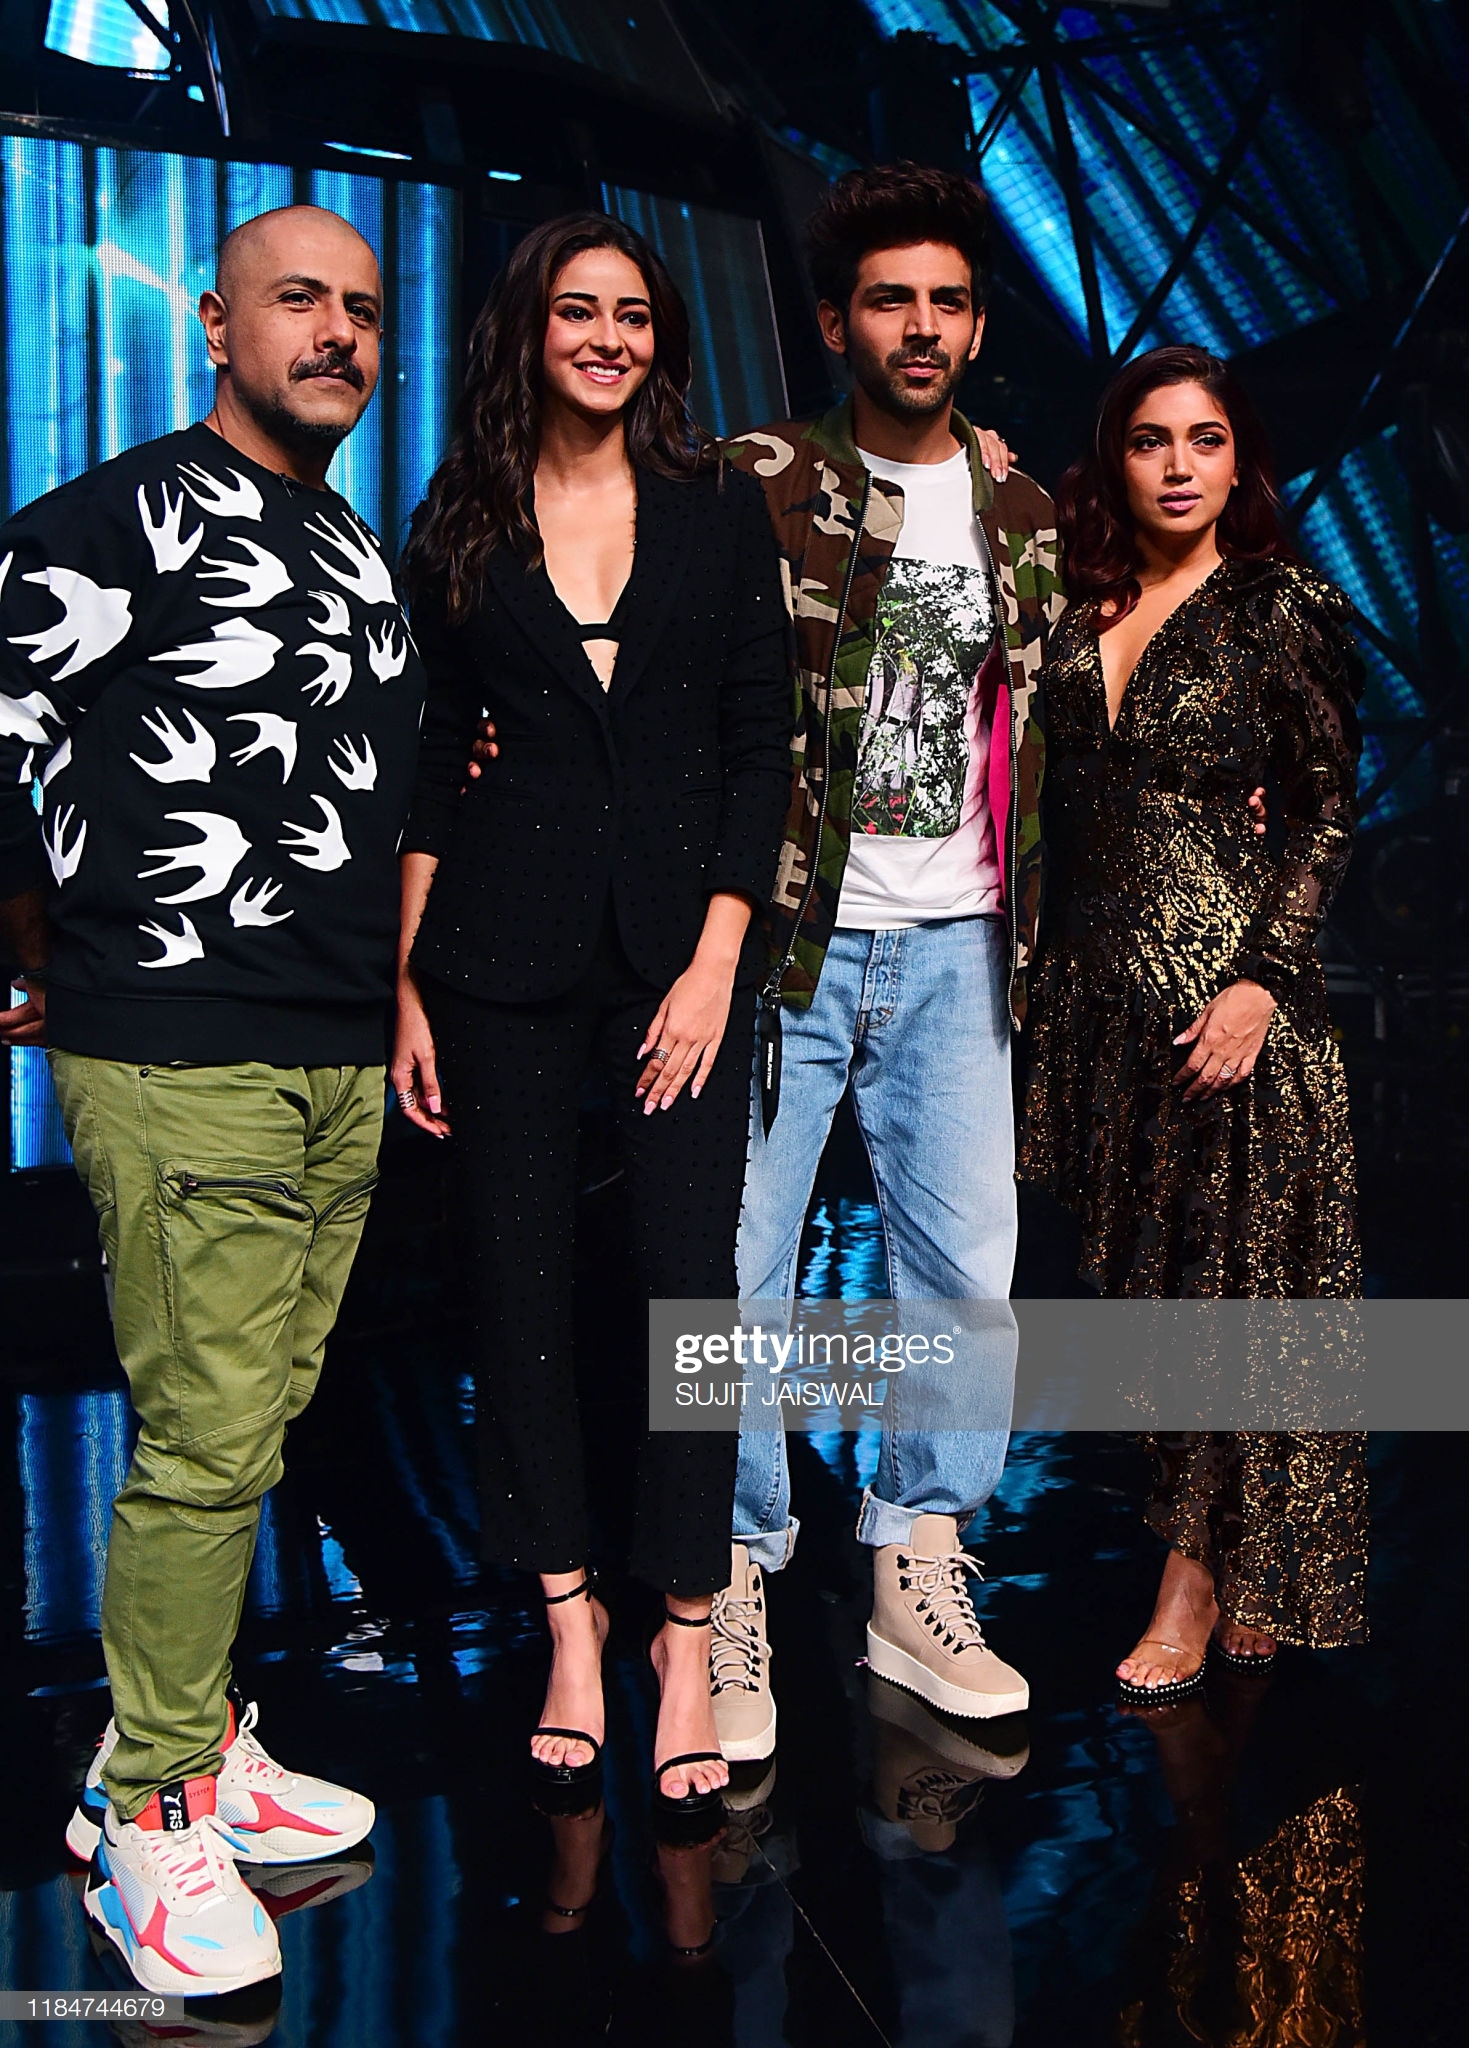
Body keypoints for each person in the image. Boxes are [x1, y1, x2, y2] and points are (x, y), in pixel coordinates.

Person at [0, 206, 417, 1993]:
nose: (336, 334)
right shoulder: (117, 518)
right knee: (204, 1436)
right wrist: (35, 937)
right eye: (297, 300)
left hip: (331, 1044)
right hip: (183, 1045)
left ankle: (187, 1731)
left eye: (362, 310)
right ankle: (146, 1819)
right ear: (213, 322)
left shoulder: (353, 545)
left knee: (262, 1414)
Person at [391, 214, 791, 1820]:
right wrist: (405, 982)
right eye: (579, 310)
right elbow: (432, 762)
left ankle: (683, 1635)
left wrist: (715, 961)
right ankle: (569, 1622)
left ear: (659, 340)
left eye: (633, 313)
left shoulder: (716, 507)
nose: (609, 337)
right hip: (493, 954)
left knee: (689, 1300)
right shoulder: (461, 519)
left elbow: (760, 744)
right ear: (529, 330)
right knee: (519, 1288)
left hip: (676, 960)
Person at [701, 162, 1062, 1754]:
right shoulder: (755, 479)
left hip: (961, 943)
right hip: (785, 942)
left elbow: (1066, 715)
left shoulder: (1024, 515)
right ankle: (725, 1577)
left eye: (946, 302)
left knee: (965, 1278)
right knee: (735, 1274)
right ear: (836, 321)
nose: (919, 326)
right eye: (889, 299)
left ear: (975, 329)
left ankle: (917, 1568)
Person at [1016, 345, 1369, 1701]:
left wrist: (1260, 982)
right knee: (1157, 1310)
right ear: (1113, 460)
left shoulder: (1280, 607)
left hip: (1229, 1013)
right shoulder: (1072, 608)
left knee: (1231, 1300)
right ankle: (1244, 1549)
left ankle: (1197, 1579)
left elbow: (1325, 811)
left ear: (1239, 463)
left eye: (1204, 440)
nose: (1176, 466)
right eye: (1150, 440)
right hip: (1098, 1015)